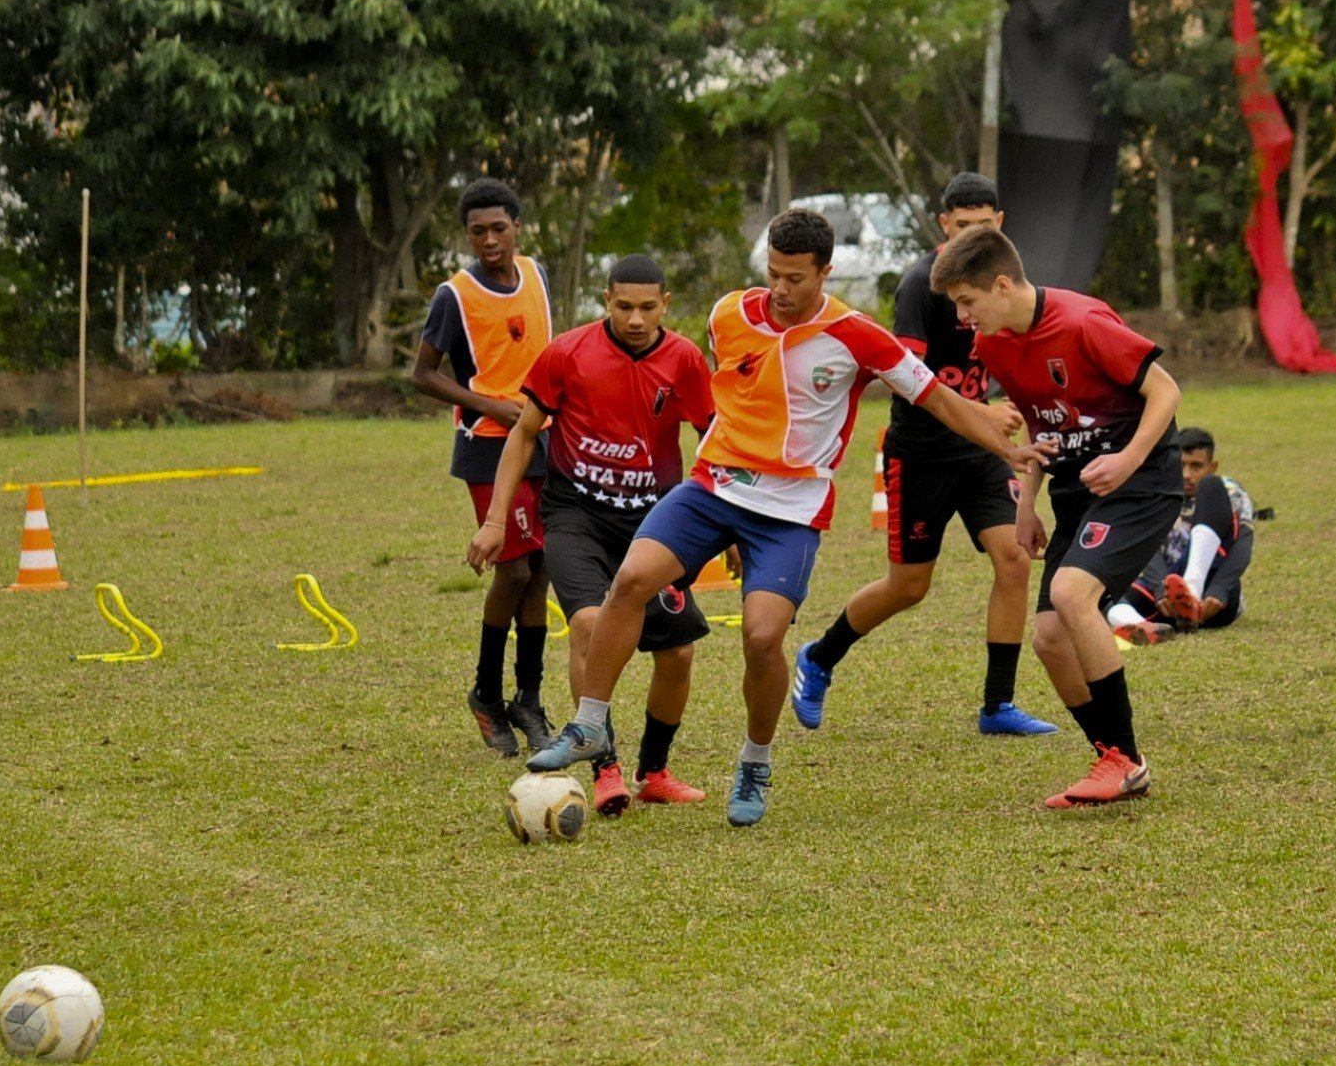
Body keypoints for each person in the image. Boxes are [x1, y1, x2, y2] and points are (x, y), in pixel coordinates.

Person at [528, 209, 1048, 827]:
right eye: (772, 273)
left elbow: (935, 397)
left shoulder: (859, 336)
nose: (780, 289)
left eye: (796, 278)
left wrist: (1006, 447)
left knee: (762, 637)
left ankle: (755, 760)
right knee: (632, 581)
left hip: (791, 509)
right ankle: (589, 725)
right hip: (714, 486)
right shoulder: (728, 314)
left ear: (826, 272)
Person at [791, 172, 1057, 737]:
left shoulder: (1006, 281)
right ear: (944, 226)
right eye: (962, 227)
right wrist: (979, 409)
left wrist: (1008, 406)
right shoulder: (921, 283)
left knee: (1013, 559)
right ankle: (819, 657)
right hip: (921, 454)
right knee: (909, 586)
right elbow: (904, 377)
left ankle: (998, 705)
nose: (972, 238)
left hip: (982, 453)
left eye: (983, 227)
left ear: (999, 225)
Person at [933, 227, 1183, 808]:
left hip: (1139, 482)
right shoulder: (995, 343)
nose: (964, 317)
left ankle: (1123, 759)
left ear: (1001, 284)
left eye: (968, 302)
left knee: (1072, 594)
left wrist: (1127, 459)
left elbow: (1166, 391)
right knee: (1049, 638)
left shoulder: (1082, 322)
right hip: (1078, 491)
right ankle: (1115, 759)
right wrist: (1025, 504)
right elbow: (1041, 422)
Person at [470, 255, 714, 816]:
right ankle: (603, 765)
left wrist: (730, 528)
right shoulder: (567, 353)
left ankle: (654, 771)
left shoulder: (684, 360)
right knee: (588, 623)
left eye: (647, 308)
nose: (634, 318)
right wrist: (494, 521)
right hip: (574, 515)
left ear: (665, 304)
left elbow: (715, 441)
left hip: (654, 523)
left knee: (677, 653)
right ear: (606, 300)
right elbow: (525, 433)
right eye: (624, 306)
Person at [410, 177, 557, 756]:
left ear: (517, 226)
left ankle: (529, 698)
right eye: (478, 232)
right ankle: (486, 693)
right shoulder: (454, 295)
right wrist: (491, 403)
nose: (489, 240)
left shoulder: (538, 276)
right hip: (489, 443)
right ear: (466, 235)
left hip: (545, 437)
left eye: (499, 228)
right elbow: (422, 375)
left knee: (542, 568)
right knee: (514, 572)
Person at [1105, 427, 1255, 644]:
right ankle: (1143, 627)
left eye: (1196, 466)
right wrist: (1160, 587)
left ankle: (1191, 591)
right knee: (1099, 589)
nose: (1186, 475)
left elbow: (1243, 543)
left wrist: (1220, 588)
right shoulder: (1155, 494)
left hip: (1212, 600)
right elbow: (1146, 547)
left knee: (1211, 486)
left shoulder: (1229, 491)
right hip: (1165, 600)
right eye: (1181, 465)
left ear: (1212, 467)